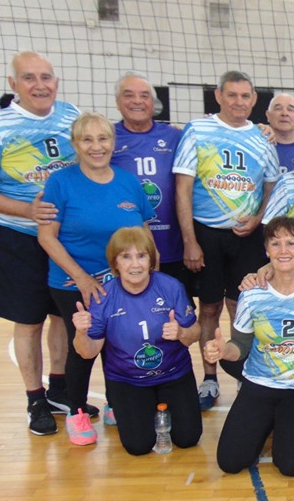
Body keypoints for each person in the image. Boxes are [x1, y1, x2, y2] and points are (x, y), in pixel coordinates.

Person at [0, 51, 78, 435]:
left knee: (62, 316)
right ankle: (35, 399)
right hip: (18, 236)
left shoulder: (71, 117)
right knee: (29, 322)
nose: (40, 85)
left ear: (56, 82)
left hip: (64, 238)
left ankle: (60, 389)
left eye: (46, 77)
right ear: (13, 84)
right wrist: (28, 210)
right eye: (29, 78)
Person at [38, 112, 156, 445]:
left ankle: (114, 405)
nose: (96, 146)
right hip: (73, 282)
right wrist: (82, 279)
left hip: (121, 281)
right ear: (75, 145)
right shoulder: (61, 182)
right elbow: (47, 237)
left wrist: (151, 274)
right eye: (87, 140)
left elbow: (143, 232)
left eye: (102, 138)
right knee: (86, 344)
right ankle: (76, 413)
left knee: (119, 343)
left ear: (112, 142)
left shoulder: (128, 181)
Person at [173, 70, 278, 410]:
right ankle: (209, 378)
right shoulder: (197, 130)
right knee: (208, 308)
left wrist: (258, 218)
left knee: (241, 306)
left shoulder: (263, 137)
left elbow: (271, 186)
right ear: (218, 96)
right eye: (231, 95)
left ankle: (243, 375)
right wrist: (190, 240)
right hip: (207, 234)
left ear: (254, 100)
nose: (238, 102)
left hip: (247, 237)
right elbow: (182, 188)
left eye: (245, 96)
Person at [208, 217, 294, 477]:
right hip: (260, 383)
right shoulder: (252, 293)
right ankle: (265, 421)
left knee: (291, 466)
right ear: (266, 250)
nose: (283, 251)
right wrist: (224, 351)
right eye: (275, 243)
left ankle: (279, 422)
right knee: (230, 463)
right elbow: (240, 346)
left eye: (291, 243)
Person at [71, 227, 202, 455]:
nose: (135, 265)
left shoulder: (171, 287)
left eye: (141, 256)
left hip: (174, 374)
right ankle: (134, 409)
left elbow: (195, 332)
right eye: (126, 257)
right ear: (116, 263)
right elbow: (88, 352)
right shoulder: (103, 297)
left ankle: (159, 407)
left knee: (188, 438)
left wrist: (181, 332)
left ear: (151, 260)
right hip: (128, 380)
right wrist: (81, 333)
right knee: (138, 446)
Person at [111, 72, 190, 294]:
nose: (137, 101)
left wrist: (264, 128)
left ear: (153, 103)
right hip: (126, 251)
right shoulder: (107, 137)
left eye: (144, 96)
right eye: (129, 95)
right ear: (118, 102)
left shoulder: (174, 135)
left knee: (176, 306)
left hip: (173, 246)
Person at [265, 93, 294, 175]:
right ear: (268, 116)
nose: (284, 113)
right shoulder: (257, 147)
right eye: (278, 109)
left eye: (290, 109)